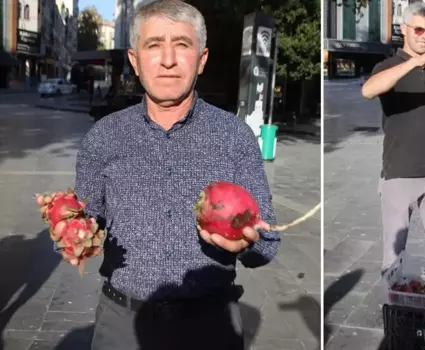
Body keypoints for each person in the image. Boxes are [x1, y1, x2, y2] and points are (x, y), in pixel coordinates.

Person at [52, 1, 280, 348]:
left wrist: (247, 242)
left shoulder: (235, 137)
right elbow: (88, 220)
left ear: (201, 60)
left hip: (211, 325)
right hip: (122, 326)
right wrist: (75, 236)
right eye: (154, 45)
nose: (169, 60)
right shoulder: (104, 137)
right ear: (135, 60)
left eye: (182, 45)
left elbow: (268, 242)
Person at [361, 2, 425, 273]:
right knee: (393, 259)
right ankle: (393, 310)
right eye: (419, 30)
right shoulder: (388, 65)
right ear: (404, 29)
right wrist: (416, 62)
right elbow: (368, 90)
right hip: (399, 173)